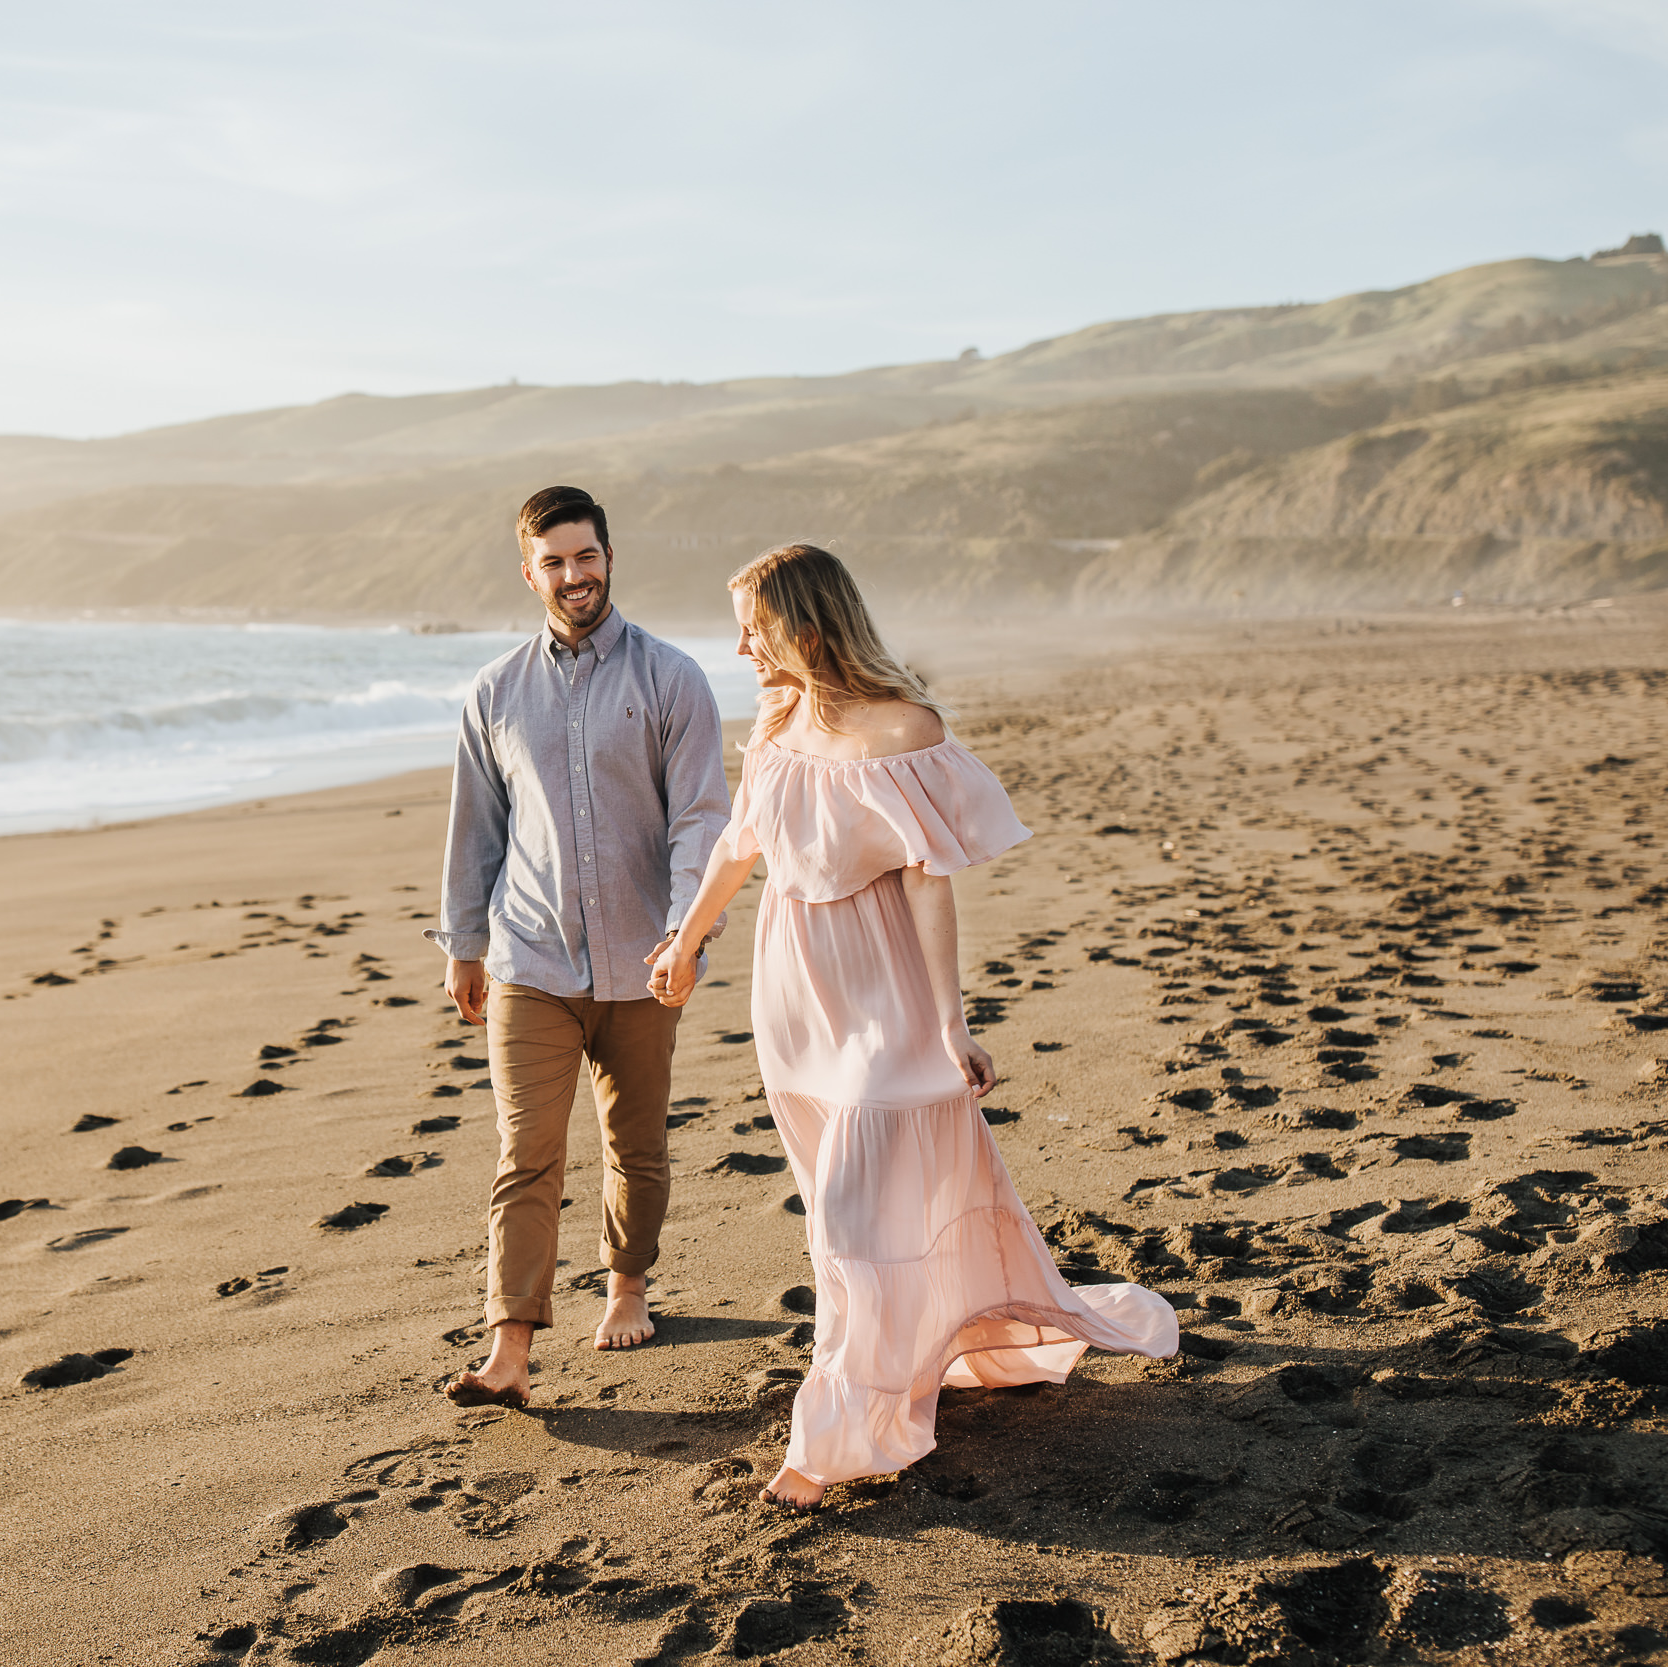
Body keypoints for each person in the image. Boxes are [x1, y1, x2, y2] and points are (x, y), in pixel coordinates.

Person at [647, 544, 1176, 1507]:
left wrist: (950, 1022)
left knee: (851, 1217)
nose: (737, 647)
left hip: (884, 1001)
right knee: (840, 1204)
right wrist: (685, 941)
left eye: (753, 629)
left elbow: (929, 883)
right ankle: (928, 1345)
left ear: (807, 629)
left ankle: (839, 1435)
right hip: (795, 996)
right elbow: (741, 841)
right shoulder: (776, 722)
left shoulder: (906, 729)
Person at [430, 485, 732, 1409]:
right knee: (527, 1150)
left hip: (647, 957)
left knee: (635, 1147)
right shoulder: (494, 691)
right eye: (554, 561)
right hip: (532, 959)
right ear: (530, 572)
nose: (573, 575)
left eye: (586, 556)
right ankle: (509, 1349)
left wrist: (685, 933)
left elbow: (701, 820)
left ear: (609, 558)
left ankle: (628, 1285)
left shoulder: (672, 678)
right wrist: (464, 943)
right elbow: (475, 828)